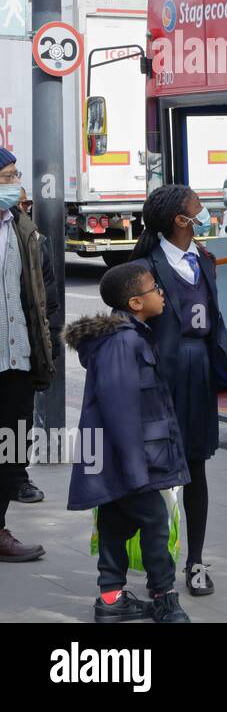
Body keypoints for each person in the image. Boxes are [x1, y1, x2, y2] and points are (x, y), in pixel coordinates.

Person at [64, 262, 191, 623]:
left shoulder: (127, 336)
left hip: (119, 459)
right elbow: (119, 410)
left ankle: (111, 599)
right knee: (154, 522)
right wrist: (137, 470)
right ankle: (165, 596)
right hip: (129, 461)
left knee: (115, 524)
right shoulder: (123, 342)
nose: (161, 293)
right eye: (154, 288)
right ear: (136, 302)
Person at [130, 184, 227, 596]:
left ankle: (195, 562)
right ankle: (158, 567)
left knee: (196, 468)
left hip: (199, 374)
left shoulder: (204, 260)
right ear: (180, 219)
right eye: (198, 206)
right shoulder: (145, 267)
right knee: (156, 472)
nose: (205, 211)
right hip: (159, 377)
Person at [0, 148, 54, 563]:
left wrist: (44, 347)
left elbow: (37, 294)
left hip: (17, 359)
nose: (15, 183)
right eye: (8, 175)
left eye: (16, 174)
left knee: (12, 448)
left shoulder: (22, 227)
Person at [13, 187, 62, 505]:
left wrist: (49, 342)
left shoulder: (32, 238)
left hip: (20, 347)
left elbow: (48, 299)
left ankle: (17, 477)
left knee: (18, 418)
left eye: (26, 202)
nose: (24, 206)